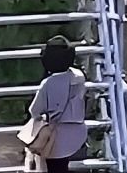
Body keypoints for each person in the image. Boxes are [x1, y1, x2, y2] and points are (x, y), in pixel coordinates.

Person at [26, 34, 88, 173]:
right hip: (78, 131)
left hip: (56, 135)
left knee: (54, 166)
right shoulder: (79, 76)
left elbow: (34, 110)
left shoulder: (47, 84)